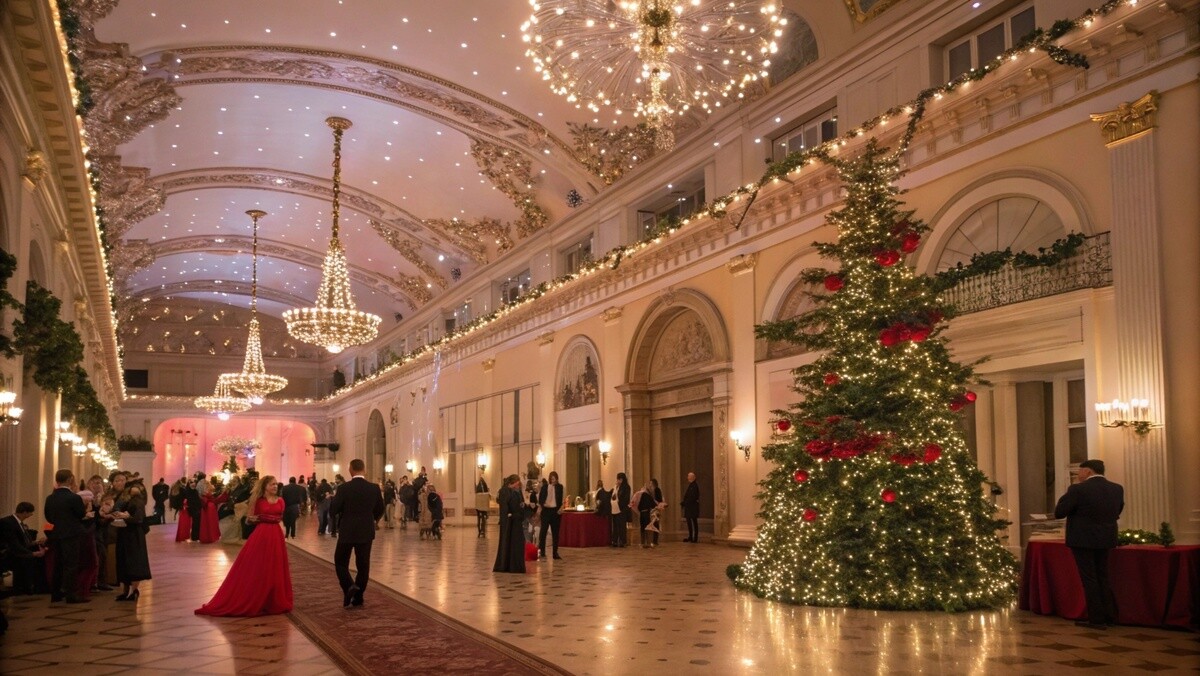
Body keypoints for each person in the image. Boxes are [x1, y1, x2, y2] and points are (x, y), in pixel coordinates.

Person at [195, 475, 292, 616]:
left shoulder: (281, 501)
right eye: (272, 484)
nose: (275, 486)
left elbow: (280, 518)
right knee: (259, 566)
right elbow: (248, 520)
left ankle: (273, 599)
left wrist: (278, 524)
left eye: (276, 484)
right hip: (262, 535)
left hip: (276, 535)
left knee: (275, 566)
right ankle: (257, 596)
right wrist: (254, 519)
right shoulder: (258, 501)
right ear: (265, 486)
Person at [1053, 459, 1124, 629]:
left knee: (1089, 579)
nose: (1078, 475)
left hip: (1082, 539)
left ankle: (1096, 619)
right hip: (1106, 538)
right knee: (1103, 576)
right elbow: (1118, 510)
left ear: (1088, 471)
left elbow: (1059, 512)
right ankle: (1109, 616)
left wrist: (1068, 493)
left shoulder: (1078, 489)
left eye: (1080, 471)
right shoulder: (1117, 488)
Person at [329, 459, 385, 608]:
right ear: (364, 470)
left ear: (351, 470)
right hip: (366, 531)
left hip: (347, 530)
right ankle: (358, 597)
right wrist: (372, 519)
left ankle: (349, 586)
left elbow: (334, 510)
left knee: (340, 562)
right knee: (363, 565)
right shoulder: (374, 488)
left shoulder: (343, 488)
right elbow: (380, 508)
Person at [44, 469, 88, 603]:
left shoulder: (50, 498)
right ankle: (71, 594)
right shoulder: (74, 498)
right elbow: (81, 514)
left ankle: (55, 594)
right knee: (71, 565)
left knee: (57, 564)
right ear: (70, 479)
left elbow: (48, 517)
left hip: (56, 534)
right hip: (71, 534)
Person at [111, 473, 151, 602]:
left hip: (134, 535)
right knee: (123, 561)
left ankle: (134, 591)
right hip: (123, 533)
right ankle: (125, 591)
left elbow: (139, 518)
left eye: (123, 481)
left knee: (134, 563)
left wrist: (126, 516)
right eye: (117, 480)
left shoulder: (136, 499)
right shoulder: (121, 497)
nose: (120, 483)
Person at [1, 502, 46, 595]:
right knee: (34, 560)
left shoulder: (18, 523)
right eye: (30, 512)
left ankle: (31, 587)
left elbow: (23, 541)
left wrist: (36, 542)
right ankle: (24, 588)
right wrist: (32, 554)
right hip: (10, 553)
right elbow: (13, 544)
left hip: (19, 551)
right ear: (25, 512)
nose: (31, 515)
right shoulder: (8, 522)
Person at [493, 474, 526, 574]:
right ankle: (507, 565)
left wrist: (523, 506)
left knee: (518, 544)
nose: (518, 485)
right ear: (513, 482)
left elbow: (521, 502)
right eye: (517, 483)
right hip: (510, 522)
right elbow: (504, 508)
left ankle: (516, 566)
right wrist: (509, 516)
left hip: (517, 521)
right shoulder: (504, 491)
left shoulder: (518, 491)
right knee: (508, 543)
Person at [538, 471, 564, 560]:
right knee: (543, 532)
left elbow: (560, 499)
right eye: (552, 479)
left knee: (555, 533)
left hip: (555, 512)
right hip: (546, 511)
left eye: (554, 479)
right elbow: (541, 499)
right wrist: (542, 505)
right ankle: (542, 551)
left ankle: (555, 553)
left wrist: (560, 508)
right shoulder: (545, 487)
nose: (553, 481)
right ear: (549, 479)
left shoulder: (560, 487)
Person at [634, 480, 658, 548]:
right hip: (647, 513)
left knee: (642, 528)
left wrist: (639, 510)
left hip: (641, 513)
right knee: (648, 528)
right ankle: (648, 543)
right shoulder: (648, 496)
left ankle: (642, 543)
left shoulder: (640, 496)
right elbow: (653, 505)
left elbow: (638, 505)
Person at [613, 472, 631, 548]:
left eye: (618, 479)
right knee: (616, 525)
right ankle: (615, 540)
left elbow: (626, 499)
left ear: (622, 479)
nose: (617, 481)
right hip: (615, 508)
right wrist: (615, 488)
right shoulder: (617, 487)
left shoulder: (626, 487)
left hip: (622, 509)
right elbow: (613, 495)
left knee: (622, 526)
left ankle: (623, 541)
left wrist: (619, 502)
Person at [682, 471, 700, 543]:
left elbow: (693, 497)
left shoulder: (694, 486)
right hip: (689, 507)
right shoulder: (691, 485)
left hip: (692, 507)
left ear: (692, 477)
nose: (687, 477)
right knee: (690, 522)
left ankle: (694, 538)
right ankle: (690, 536)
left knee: (693, 522)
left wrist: (685, 502)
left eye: (688, 476)